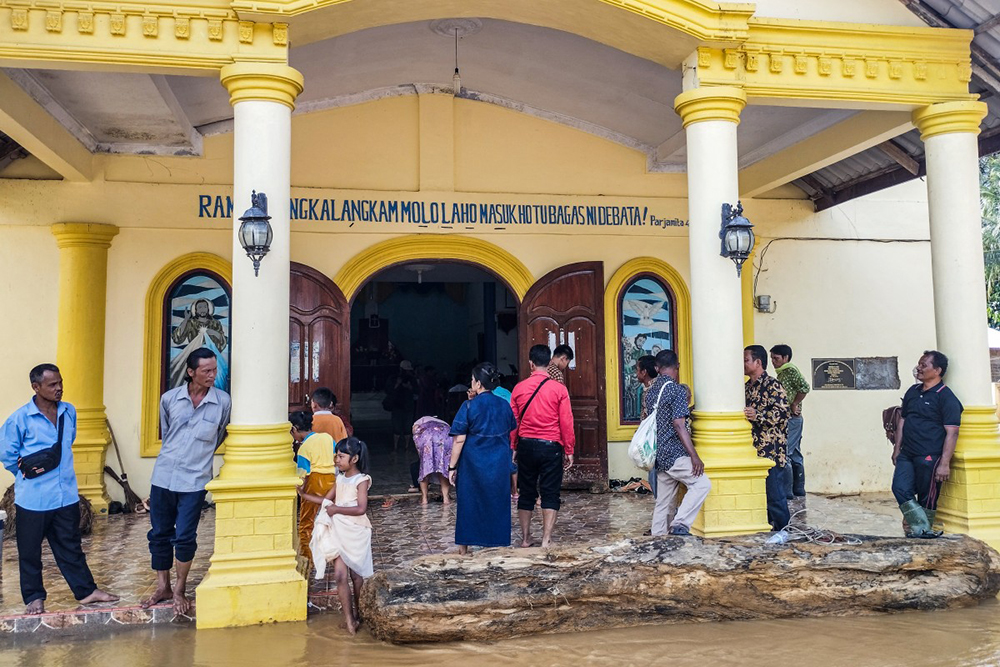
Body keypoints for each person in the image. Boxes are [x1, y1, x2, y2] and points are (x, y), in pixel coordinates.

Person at [1, 363, 119, 615]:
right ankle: (34, 597)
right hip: (34, 498)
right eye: (52, 384)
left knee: (71, 546)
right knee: (30, 551)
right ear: (36, 387)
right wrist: (29, 476)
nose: (59, 388)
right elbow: (7, 455)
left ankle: (87, 592)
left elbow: (69, 441)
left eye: (60, 382)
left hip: (65, 494)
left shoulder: (69, 411)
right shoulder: (19, 419)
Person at [142, 347, 231, 614]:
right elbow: (168, 433)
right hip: (164, 476)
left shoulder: (223, 402)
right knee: (159, 534)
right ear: (191, 372)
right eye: (206, 371)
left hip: (194, 481)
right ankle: (163, 586)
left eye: (214, 369)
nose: (212, 375)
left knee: (185, 537)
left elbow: (220, 436)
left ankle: (179, 589)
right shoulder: (169, 399)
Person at [298, 437, 372, 635]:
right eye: (336, 456)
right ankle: (349, 620)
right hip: (337, 530)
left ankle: (360, 615)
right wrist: (304, 496)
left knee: (357, 576)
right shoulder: (339, 478)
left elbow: (361, 508)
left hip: (356, 531)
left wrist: (336, 509)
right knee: (340, 575)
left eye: (341, 456)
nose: (336, 460)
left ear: (354, 458)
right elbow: (326, 501)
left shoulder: (361, 480)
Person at [448, 363, 518, 554]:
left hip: (473, 464)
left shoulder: (469, 405)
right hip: (498, 463)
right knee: (497, 502)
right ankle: (497, 544)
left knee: (468, 503)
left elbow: (459, 440)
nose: (471, 383)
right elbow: (510, 429)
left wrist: (452, 467)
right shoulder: (504, 404)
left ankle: (464, 548)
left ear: (478, 383)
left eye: (472, 380)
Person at [891, 350, 962, 538]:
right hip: (907, 453)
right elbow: (902, 421)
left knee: (927, 496)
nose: (919, 369)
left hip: (931, 455)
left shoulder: (946, 397)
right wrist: (897, 449)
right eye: (919, 364)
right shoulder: (912, 392)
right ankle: (922, 528)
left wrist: (945, 463)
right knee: (899, 488)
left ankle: (921, 532)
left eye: (924, 365)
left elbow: (952, 432)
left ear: (937, 370)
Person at [511, 345, 575, 548]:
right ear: (549, 363)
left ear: (530, 363)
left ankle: (525, 538)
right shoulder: (559, 389)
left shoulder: (519, 389)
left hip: (526, 445)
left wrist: (513, 446)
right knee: (550, 493)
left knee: (527, 492)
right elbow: (566, 421)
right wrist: (569, 449)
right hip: (551, 446)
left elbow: (514, 422)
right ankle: (546, 539)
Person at [647, 350, 710, 536]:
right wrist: (694, 456)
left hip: (659, 453)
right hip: (674, 453)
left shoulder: (652, 391)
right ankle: (680, 524)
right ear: (678, 366)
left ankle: (657, 538)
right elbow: (679, 424)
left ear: (657, 368)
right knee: (702, 484)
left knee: (664, 502)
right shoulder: (676, 389)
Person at [744, 345, 790, 531]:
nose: (743, 364)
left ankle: (784, 531)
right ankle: (770, 528)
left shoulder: (773, 385)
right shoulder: (746, 388)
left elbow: (782, 414)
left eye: (746, 359)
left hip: (771, 450)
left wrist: (758, 415)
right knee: (760, 494)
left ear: (758, 362)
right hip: (753, 450)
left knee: (775, 494)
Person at [291, 410, 337, 562]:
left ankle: (308, 556)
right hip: (332, 481)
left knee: (307, 521)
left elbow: (302, 474)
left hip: (314, 482)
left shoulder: (304, 449)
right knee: (332, 517)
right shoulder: (327, 438)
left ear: (295, 429)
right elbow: (337, 455)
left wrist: (300, 491)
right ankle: (334, 551)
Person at [770, 344, 810, 499]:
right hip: (791, 418)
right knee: (795, 453)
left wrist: (794, 403)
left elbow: (804, 387)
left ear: (785, 358)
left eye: (776, 358)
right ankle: (798, 489)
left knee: (785, 452)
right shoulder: (782, 373)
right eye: (772, 358)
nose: (773, 362)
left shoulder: (789, 370)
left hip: (791, 418)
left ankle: (787, 491)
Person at [412, 416, 454, 505]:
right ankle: (446, 498)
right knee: (442, 466)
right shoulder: (444, 423)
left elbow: (415, 435)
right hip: (444, 435)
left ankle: (424, 499)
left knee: (425, 467)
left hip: (426, 436)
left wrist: (422, 456)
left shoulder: (418, 423)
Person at [389, 361, 416, 451]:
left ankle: (406, 446)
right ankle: (395, 446)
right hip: (397, 406)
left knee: (407, 427)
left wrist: (409, 387)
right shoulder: (393, 378)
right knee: (396, 427)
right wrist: (397, 384)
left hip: (408, 406)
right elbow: (389, 390)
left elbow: (417, 391)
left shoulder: (412, 379)